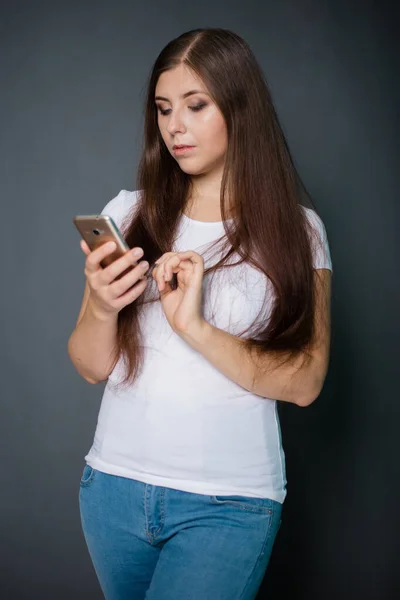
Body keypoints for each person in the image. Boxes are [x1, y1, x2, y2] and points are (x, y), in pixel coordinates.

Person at [68, 27, 333, 600]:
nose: (174, 126)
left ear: (240, 110)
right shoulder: (130, 212)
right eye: (163, 109)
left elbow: (307, 381)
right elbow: (91, 366)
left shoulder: (297, 231)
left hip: (228, 502)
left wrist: (194, 326)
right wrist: (101, 302)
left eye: (196, 106)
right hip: (113, 488)